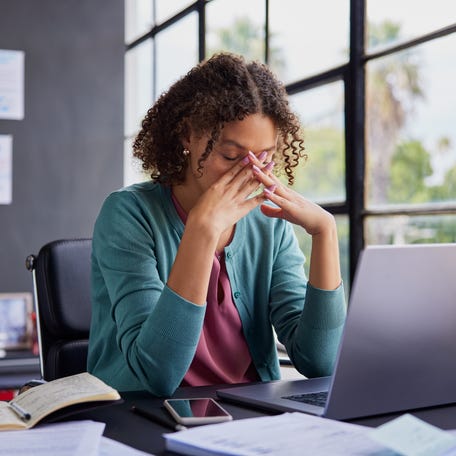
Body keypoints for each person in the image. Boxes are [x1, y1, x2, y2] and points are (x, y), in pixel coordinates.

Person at [87, 52, 346, 396]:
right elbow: (156, 374)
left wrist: (324, 233)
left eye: (264, 157)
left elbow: (321, 362)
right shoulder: (128, 214)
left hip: (253, 416)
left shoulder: (268, 222)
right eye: (231, 156)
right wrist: (202, 231)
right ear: (187, 138)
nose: (251, 173)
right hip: (146, 415)